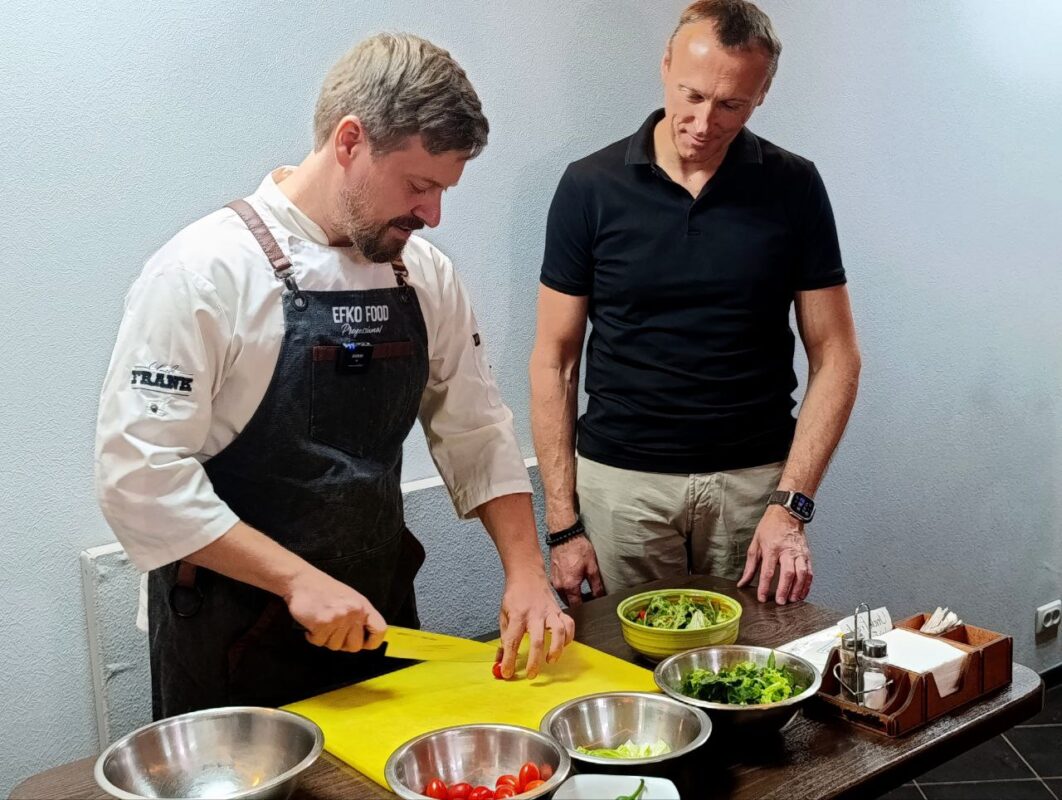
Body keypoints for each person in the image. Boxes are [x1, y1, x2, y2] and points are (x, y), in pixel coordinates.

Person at [95, 32, 573, 719]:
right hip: (231, 633)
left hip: (376, 615)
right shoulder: (204, 273)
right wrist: (295, 579)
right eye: (419, 185)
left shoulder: (424, 274)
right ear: (350, 141)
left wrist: (526, 573)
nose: (433, 214)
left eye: (442, 190)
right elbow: (139, 477)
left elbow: (477, 427)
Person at [530, 0, 861, 609]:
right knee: (623, 661)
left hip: (754, 488)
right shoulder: (588, 186)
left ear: (761, 95)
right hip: (623, 487)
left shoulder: (794, 185)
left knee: (753, 658)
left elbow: (837, 355)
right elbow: (555, 361)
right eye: (692, 95)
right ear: (665, 66)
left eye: (731, 104)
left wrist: (791, 505)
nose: (705, 122)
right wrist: (562, 524)